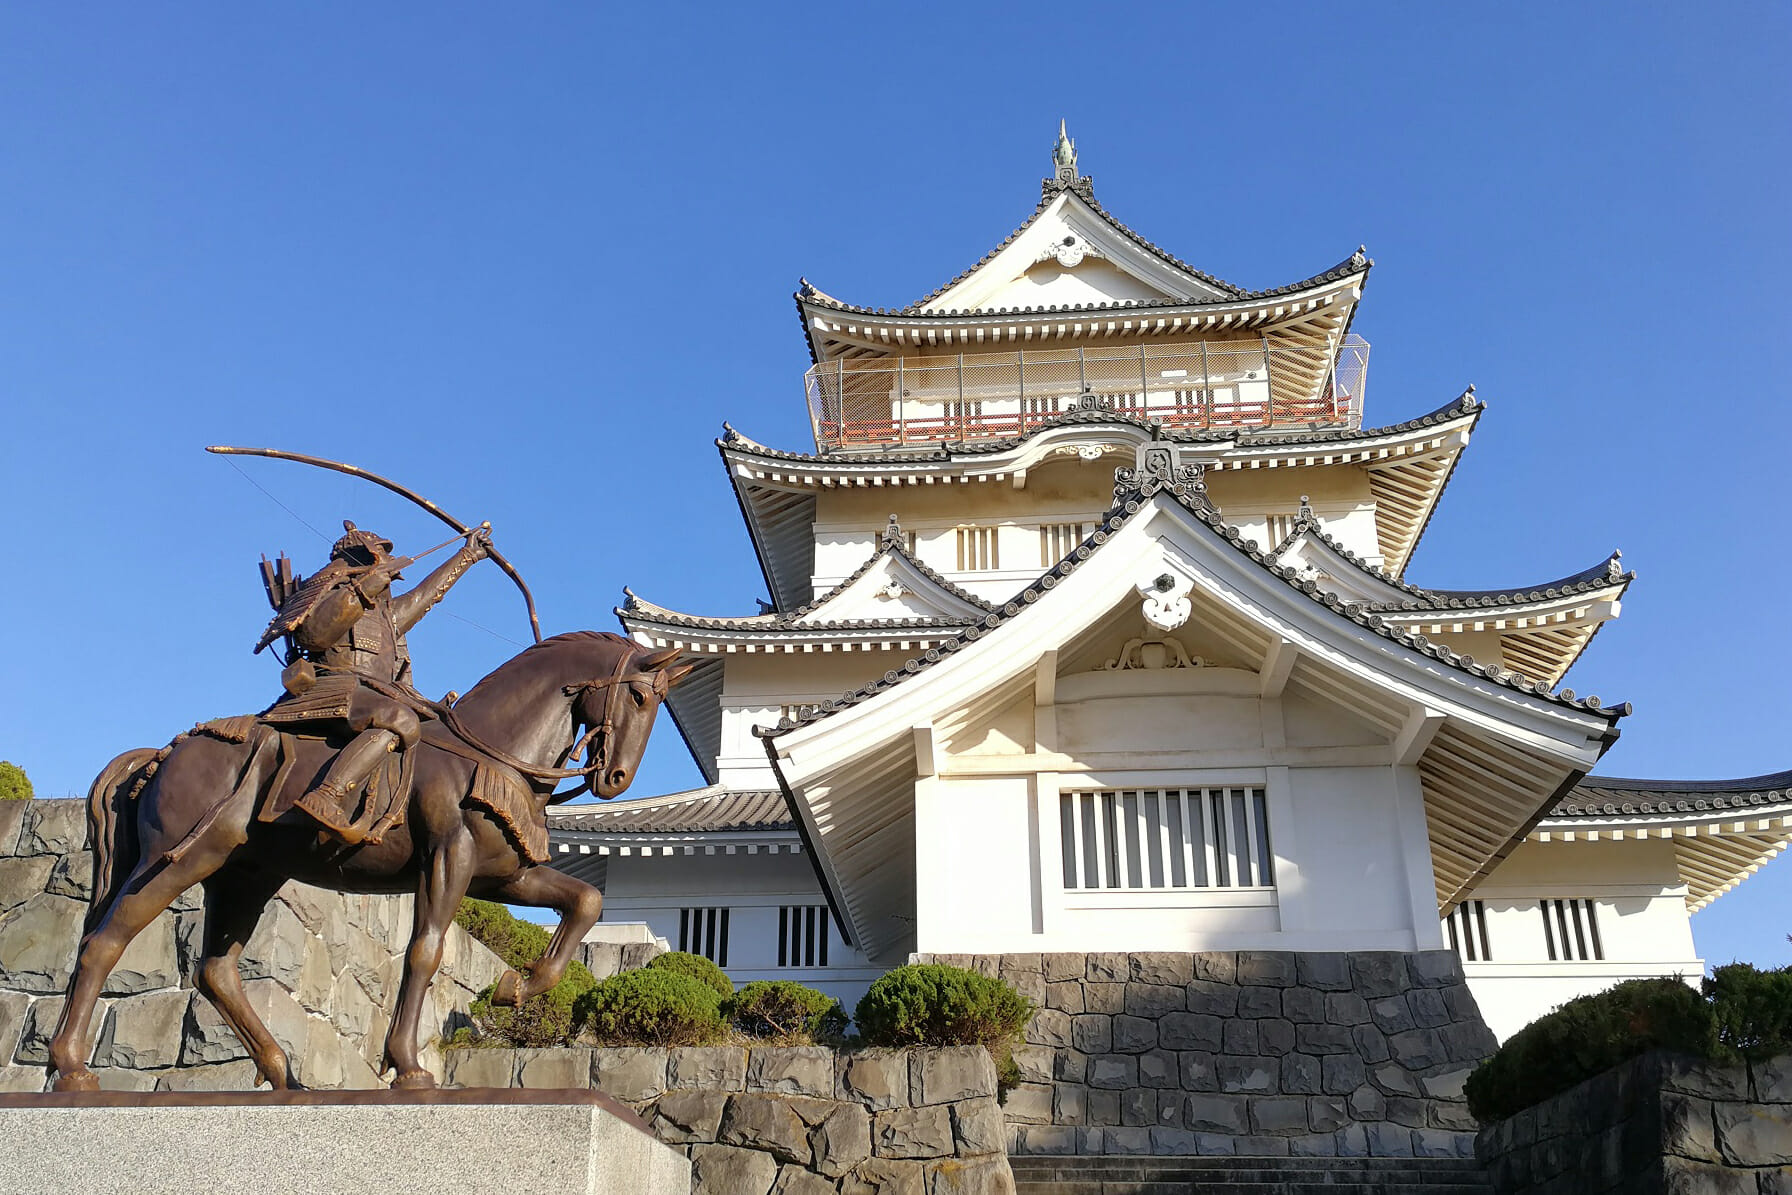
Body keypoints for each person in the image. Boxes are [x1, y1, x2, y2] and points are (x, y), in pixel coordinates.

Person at [257, 519, 490, 843]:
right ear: (363, 559)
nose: (389, 563)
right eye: (380, 553)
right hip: (334, 686)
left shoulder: (385, 614)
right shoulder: (328, 591)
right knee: (399, 718)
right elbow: (313, 636)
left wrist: (468, 555)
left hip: (377, 692)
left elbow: (427, 595)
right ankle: (326, 795)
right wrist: (363, 589)